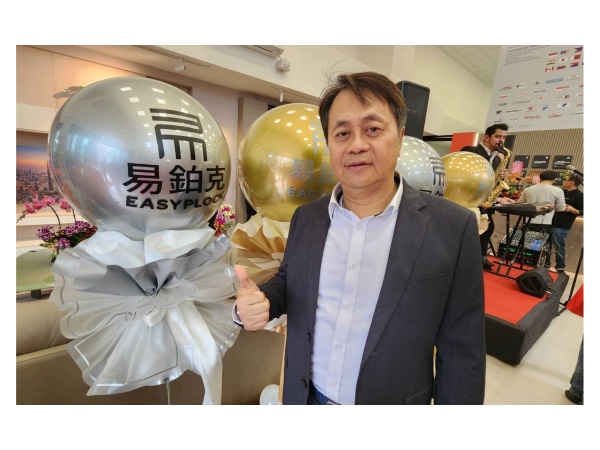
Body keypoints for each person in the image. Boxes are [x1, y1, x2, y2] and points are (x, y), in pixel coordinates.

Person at [234, 72, 486, 405]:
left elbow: (463, 347)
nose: (356, 145)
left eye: (373, 129)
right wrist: (261, 301)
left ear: (400, 137)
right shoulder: (307, 218)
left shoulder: (451, 227)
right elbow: (290, 282)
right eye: (342, 133)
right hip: (305, 397)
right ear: (330, 144)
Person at [461, 124, 510, 270]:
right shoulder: (471, 150)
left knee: (488, 227)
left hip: (484, 200)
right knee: (469, 228)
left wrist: (500, 177)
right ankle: (468, 257)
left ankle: (480, 256)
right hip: (468, 197)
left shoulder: (497, 159)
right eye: (498, 136)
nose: (501, 140)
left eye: (504, 137)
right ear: (487, 137)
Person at [517, 170, 566, 268]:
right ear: (554, 180)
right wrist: (552, 206)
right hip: (545, 222)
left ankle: (523, 263)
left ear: (540, 178)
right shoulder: (557, 190)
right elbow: (561, 208)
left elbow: (520, 204)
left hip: (527, 220)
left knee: (526, 244)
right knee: (542, 247)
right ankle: (541, 267)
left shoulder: (528, 189)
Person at [551, 174, 583, 273]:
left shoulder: (580, 195)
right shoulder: (561, 192)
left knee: (559, 245)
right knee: (546, 244)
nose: (563, 181)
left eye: (566, 180)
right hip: (550, 221)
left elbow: (583, 211)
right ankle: (545, 263)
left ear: (572, 182)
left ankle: (560, 267)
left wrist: (573, 210)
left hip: (563, 225)